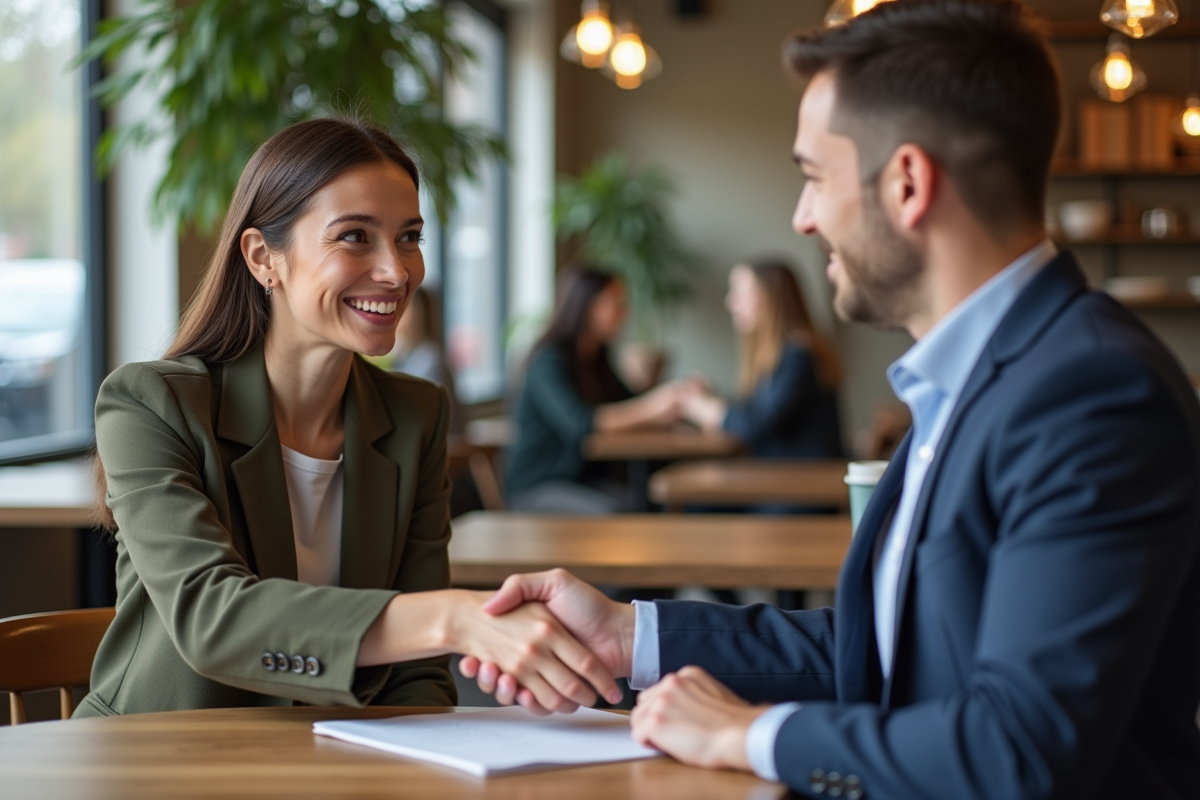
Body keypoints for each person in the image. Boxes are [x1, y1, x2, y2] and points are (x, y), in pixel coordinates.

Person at [460, 1, 1200, 797]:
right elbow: (882, 646)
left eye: (813, 177)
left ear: (909, 183)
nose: (802, 218)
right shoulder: (981, 375)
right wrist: (631, 633)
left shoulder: (1088, 393)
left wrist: (751, 733)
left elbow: (1018, 749)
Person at [77, 118, 621, 719]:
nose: (397, 271)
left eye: (409, 237)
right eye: (355, 237)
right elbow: (211, 619)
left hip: (336, 763)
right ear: (264, 258)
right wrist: (452, 617)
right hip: (160, 762)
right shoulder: (151, 403)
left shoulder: (416, 414)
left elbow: (418, 675)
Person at [505, 266, 686, 513]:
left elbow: (628, 402)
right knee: (619, 511)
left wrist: (674, 401)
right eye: (616, 303)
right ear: (587, 306)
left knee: (645, 502)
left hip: (580, 482)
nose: (625, 312)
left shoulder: (596, 358)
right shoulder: (548, 361)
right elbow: (581, 423)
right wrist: (657, 405)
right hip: (536, 488)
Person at [679, 259, 843, 460]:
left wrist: (707, 409)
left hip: (803, 480)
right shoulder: (782, 354)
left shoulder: (800, 357)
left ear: (771, 297)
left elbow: (760, 424)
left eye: (740, 292)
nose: (730, 303)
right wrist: (712, 398)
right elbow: (757, 410)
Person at [389, 286, 463, 435]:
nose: (395, 310)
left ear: (418, 313)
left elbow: (427, 421)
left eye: (404, 305)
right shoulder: (405, 356)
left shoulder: (430, 361)